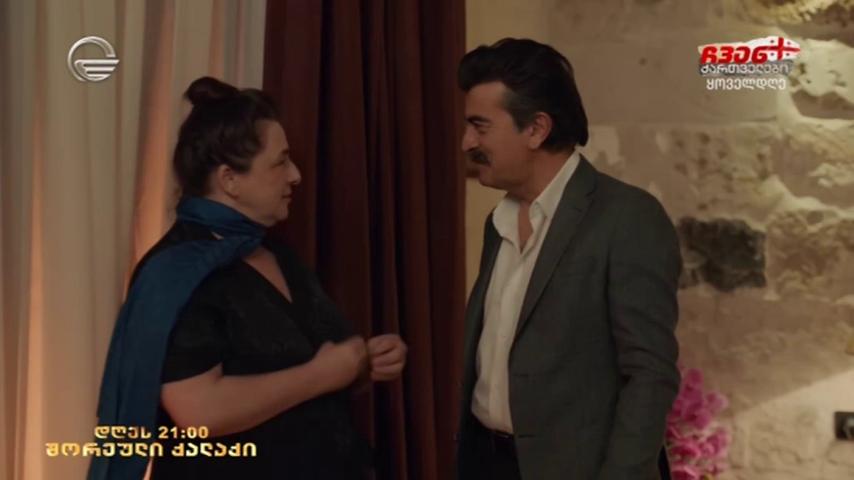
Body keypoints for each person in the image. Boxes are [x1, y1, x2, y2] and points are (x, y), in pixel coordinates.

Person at [88, 77, 407, 480]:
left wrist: (361, 363)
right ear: (230, 180)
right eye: (280, 162)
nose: (296, 175)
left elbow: (303, 365)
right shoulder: (175, 273)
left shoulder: (277, 253)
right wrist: (322, 375)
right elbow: (199, 411)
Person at [455, 38, 681, 480]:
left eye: (480, 127)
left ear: (536, 129)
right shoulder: (497, 222)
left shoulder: (627, 218)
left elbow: (649, 376)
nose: (466, 142)